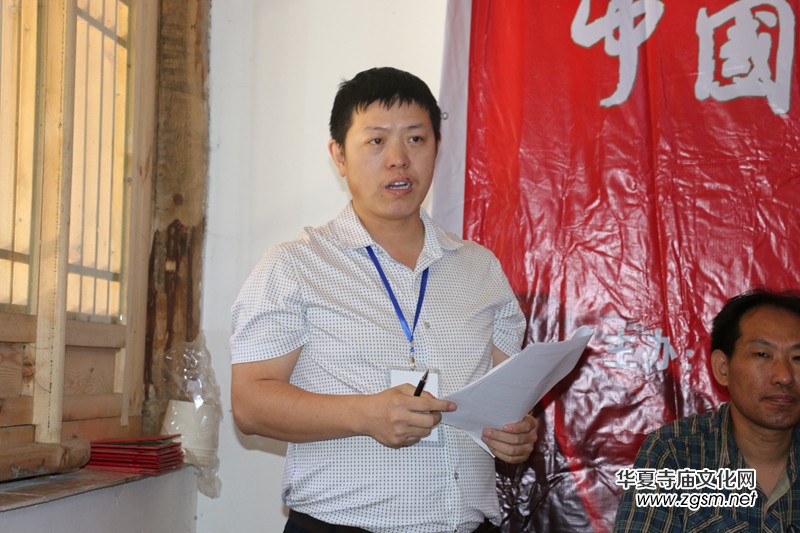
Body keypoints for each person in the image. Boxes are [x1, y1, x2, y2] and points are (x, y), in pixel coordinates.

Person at [230, 67, 537, 533]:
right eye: (376, 141)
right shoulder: (295, 266)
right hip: (341, 526)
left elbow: (505, 396)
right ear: (339, 155)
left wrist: (516, 433)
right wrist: (364, 415)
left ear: (436, 147)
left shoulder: (480, 268)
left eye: (416, 139)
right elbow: (250, 403)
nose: (398, 159)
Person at [613, 289, 800, 532]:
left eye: (798, 357)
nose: (784, 377)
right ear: (723, 368)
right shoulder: (674, 452)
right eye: (762, 354)